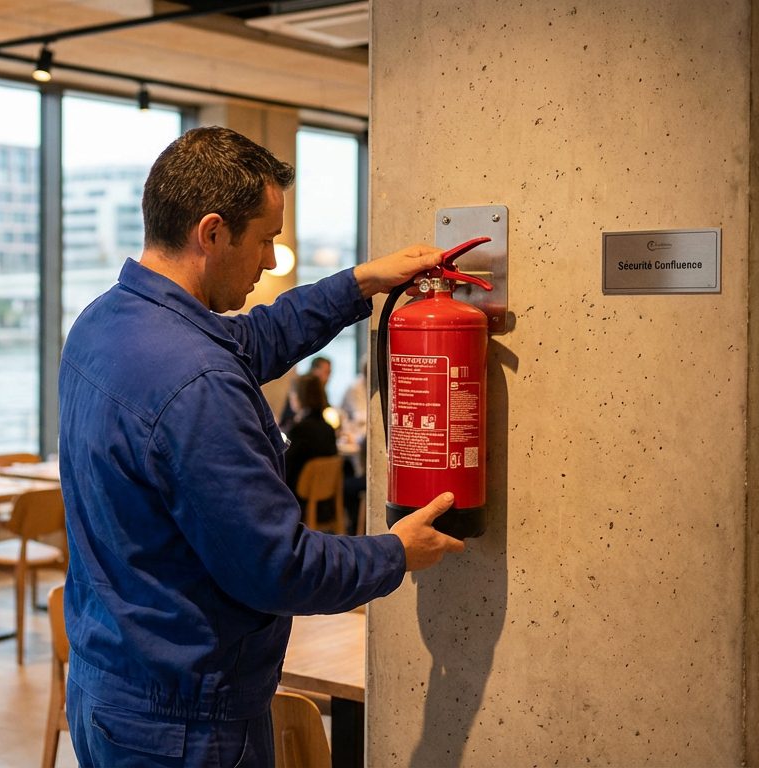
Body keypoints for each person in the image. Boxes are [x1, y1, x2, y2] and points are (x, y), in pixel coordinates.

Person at [59, 125, 465, 767]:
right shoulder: (197, 383)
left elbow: (256, 339)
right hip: (185, 725)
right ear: (212, 232)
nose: (272, 261)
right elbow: (278, 569)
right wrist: (395, 553)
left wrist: (362, 282)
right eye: (265, 239)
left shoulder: (103, 323)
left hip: (107, 686)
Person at [283, 374, 339, 517]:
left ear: (299, 397)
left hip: (297, 502)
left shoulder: (298, 430)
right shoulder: (329, 428)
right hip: (325, 503)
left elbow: (284, 467)